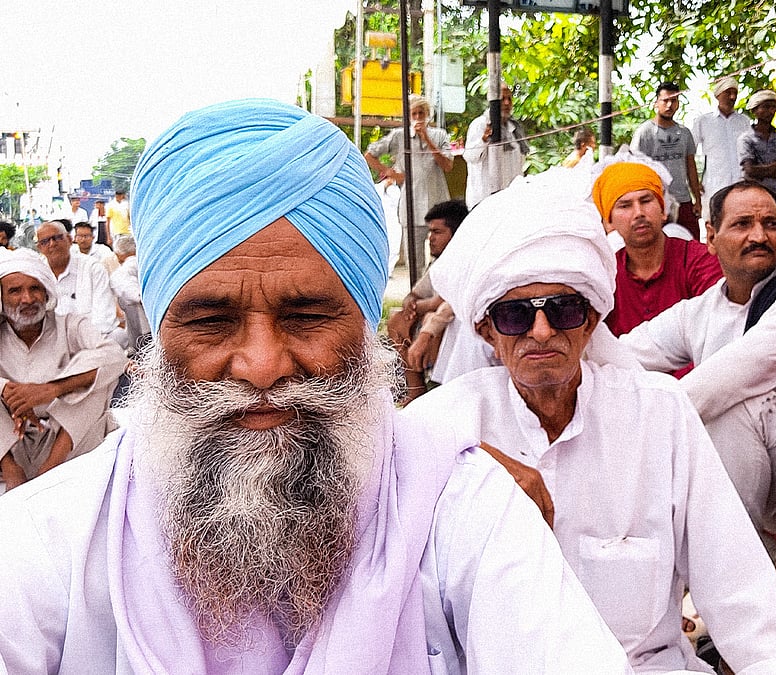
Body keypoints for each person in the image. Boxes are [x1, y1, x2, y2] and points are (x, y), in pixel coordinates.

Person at [0, 99, 632, 674]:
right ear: (160, 333)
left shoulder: (465, 512)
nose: (261, 365)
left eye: (306, 316)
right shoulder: (46, 541)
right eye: (212, 321)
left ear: (365, 326)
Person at [406, 172, 776, 673]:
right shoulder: (445, 427)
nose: (541, 331)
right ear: (486, 331)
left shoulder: (657, 413)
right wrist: (474, 467)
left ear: (593, 318)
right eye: (514, 316)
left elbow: (741, 592)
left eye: (563, 309)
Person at [621, 181, 776, 546]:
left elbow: (723, 382)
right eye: (743, 224)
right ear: (711, 237)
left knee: (734, 406)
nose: (759, 236)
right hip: (766, 475)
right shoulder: (700, 311)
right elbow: (623, 358)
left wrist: (633, 446)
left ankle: (737, 568)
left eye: (771, 224)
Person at [0, 249, 125, 494]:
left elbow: (116, 357)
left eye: (35, 288)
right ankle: (11, 471)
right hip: (13, 442)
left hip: (67, 442)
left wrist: (51, 390)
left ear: (46, 292)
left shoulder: (70, 324)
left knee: (100, 373)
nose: (27, 299)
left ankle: (50, 469)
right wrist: (6, 389)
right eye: (15, 291)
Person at [591, 159, 722, 337]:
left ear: (663, 210)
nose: (638, 213)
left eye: (645, 201)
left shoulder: (699, 260)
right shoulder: (604, 276)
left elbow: (718, 329)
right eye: (625, 205)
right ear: (608, 222)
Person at [386, 199, 468, 397]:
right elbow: (415, 294)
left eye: (437, 232)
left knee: (429, 320)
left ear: (456, 234)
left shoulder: (462, 261)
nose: (430, 238)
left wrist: (416, 309)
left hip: (452, 324)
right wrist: (411, 307)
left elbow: (440, 302)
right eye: (430, 231)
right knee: (397, 318)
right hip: (432, 319)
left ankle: (434, 389)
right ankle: (415, 392)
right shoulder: (438, 263)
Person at [364, 94, 453, 272]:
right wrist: (389, 172)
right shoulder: (399, 136)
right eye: (414, 114)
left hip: (438, 204)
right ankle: (416, 294)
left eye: (421, 113)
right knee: (415, 261)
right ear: (408, 116)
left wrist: (427, 138)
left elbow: (448, 165)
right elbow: (369, 154)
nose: (418, 118)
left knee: (444, 258)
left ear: (427, 115)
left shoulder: (439, 135)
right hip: (412, 206)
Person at [632, 82, 704, 239]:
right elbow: (636, 169)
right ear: (656, 102)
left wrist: (697, 199)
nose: (669, 105)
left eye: (674, 100)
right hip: (657, 201)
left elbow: (690, 167)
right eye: (665, 100)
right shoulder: (644, 133)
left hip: (683, 200)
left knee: (692, 243)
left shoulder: (684, 133)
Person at [35, 220, 123, 345]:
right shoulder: (37, 273)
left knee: (118, 336)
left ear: (70, 240)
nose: (52, 244)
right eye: (45, 241)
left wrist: (79, 343)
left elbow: (104, 317)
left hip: (91, 340)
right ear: (39, 248)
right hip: (51, 343)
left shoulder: (92, 268)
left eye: (57, 238)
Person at [739, 90, 776, 255]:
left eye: (773, 107)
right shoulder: (746, 139)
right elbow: (749, 171)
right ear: (755, 110)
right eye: (765, 107)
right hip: (754, 205)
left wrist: (763, 169)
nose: (770, 111)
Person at [692, 76, 751, 229]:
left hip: (741, 184)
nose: (732, 97)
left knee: (740, 225)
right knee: (715, 225)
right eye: (728, 92)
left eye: (735, 93)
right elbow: (689, 152)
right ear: (718, 95)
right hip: (713, 185)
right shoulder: (703, 122)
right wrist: (694, 182)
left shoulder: (744, 121)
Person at [464, 82, 528, 207]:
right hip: (484, 198)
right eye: (502, 99)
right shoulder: (480, 124)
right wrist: (484, 139)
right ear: (492, 102)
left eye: (509, 98)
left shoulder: (514, 128)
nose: (507, 103)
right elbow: (470, 156)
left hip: (510, 198)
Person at [109, 234, 149, 351]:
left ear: (118, 255)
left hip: (144, 335)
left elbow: (134, 294)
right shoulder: (147, 263)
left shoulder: (121, 272)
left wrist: (144, 299)